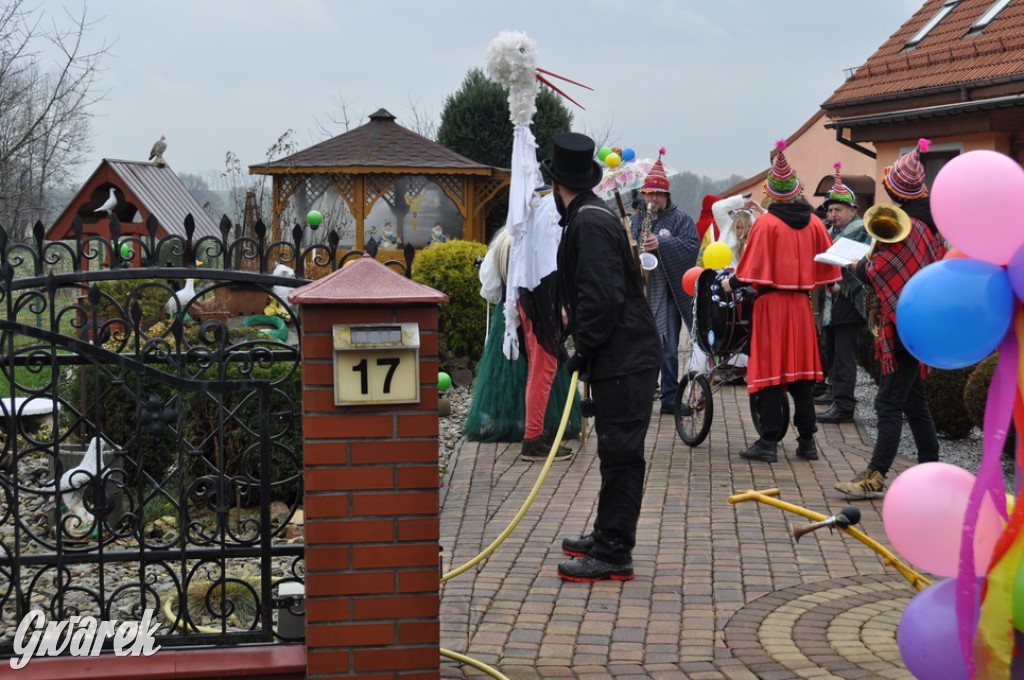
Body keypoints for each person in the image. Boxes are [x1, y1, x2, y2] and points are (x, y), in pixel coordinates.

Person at [544, 132, 661, 582]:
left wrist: (582, 349)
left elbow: (602, 297)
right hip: (621, 355)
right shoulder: (588, 216)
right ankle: (607, 532)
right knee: (615, 453)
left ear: (557, 184)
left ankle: (614, 552)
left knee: (622, 453)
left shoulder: (588, 222)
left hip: (625, 357)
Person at [835, 138, 946, 499]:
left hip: (903, 325)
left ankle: (876, 474)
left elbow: (885, 269)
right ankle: (931, 466)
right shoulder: (931, 224)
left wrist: (858, 265)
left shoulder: (909, 227)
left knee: (888, 402)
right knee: (914, 400)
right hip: (922, 324)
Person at [721, 140, 841, 463]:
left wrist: (728, 283)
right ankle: (807, 442)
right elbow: (831, 265)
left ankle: (769, 441)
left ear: (773, 193)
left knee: (772, 372)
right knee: (802, 373)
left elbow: (747, 273)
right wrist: (829, 286)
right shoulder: (815, 222)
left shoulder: (768, 224)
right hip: (801, 307)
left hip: (772, 307)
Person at [464, 217, 582, 455]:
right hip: (539, 313)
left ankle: (510, 419)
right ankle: (539, 426)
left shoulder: (503, 241)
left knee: (509, 369)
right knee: (541, 372)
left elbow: (489, 287)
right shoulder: (545, 242)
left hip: (509, 312)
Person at [629, 149, 700, 415]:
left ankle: (670, 398)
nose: (654, 199)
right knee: (644, 346)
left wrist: (664, 242)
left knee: (669, 347)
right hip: (643, 291)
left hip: (669, 293)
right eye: (649, 194)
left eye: (658, 194)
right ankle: (643, 392)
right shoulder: (636, 219)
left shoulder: (681, 219)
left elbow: (692, 247)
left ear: (667, 195)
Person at [816, 163, 871, 424]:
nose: (832, 214)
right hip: (833, 298)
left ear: (852, 210)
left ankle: (844, 405)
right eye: (830, 210)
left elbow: (863, 262)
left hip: (851, 298)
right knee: (834, 351)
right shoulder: (831, 232)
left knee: (845, 356)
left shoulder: (861, 229)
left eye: (838, 210)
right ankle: (835, 395)